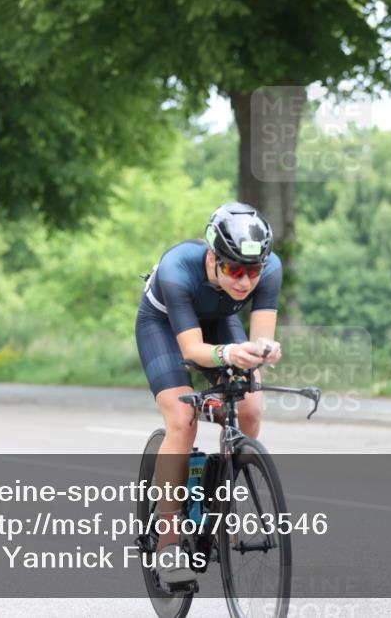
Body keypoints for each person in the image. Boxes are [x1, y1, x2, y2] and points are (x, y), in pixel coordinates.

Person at [134, 202, 283, 584]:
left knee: (250, 408)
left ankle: (222, 504)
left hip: (218, 322)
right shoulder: (177, 269)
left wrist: (263, 350)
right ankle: (167, 544)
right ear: (213, 257)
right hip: (165, 327)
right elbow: (191, 351)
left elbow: (261, 339)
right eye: (234, 269)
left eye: (253, 272)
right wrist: (231, 353)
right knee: (182, 419)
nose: (245, 282)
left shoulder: (271, 270)